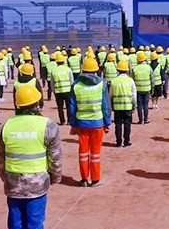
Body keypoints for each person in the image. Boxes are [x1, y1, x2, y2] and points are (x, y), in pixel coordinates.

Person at [0, 85, 62, 229]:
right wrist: (56, 177)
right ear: (37, 103)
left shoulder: (7, 126)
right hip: (37, 182)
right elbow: (55, 156)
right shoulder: (47, 125)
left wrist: (4, 177)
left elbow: (0, 156)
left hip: (13, 181)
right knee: (35, 218)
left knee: (15, 217)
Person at [68, 57, 111, 187]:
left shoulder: (76, 86)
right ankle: (95, 179)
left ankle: (84, 179)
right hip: (97, 123)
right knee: (95, 153)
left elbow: (72, 107)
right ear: (96, 70)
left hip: (81, 123)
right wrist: (107, 122)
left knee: (83, 152)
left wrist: (73, 124)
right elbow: (105, 105)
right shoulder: (102, 84)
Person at [110, 61, 136, 147]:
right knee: (127, 125)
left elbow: (110, 95)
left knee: (118, 125)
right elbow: (134, 96)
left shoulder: (114, 81)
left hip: (117, 107)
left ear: (118, 70)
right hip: (128, 106)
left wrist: (112, 106)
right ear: (127, 70)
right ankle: (126, 141)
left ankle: (118, 142)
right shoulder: (130, 81)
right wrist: (134, 106)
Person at [131, 51, 153, 125]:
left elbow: (133, 80)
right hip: (147, 89)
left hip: (138, 89)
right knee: (146, 105)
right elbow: (152, 80)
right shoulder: (148, 68)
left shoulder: (135, 69)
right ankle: (146, 119)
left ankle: (140, 120)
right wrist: (152, 89)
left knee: (139, 105)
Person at [51, 54, 74, 125]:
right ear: (64, 61)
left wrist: (54, 91)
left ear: (56, 62)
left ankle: (62, 121)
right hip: (68, 90)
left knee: (60, 108)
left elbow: (52, 83)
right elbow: (72, 81)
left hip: (58, 91)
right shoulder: (68, 69)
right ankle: (69, 121)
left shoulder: (54, 71)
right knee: (69, 107)